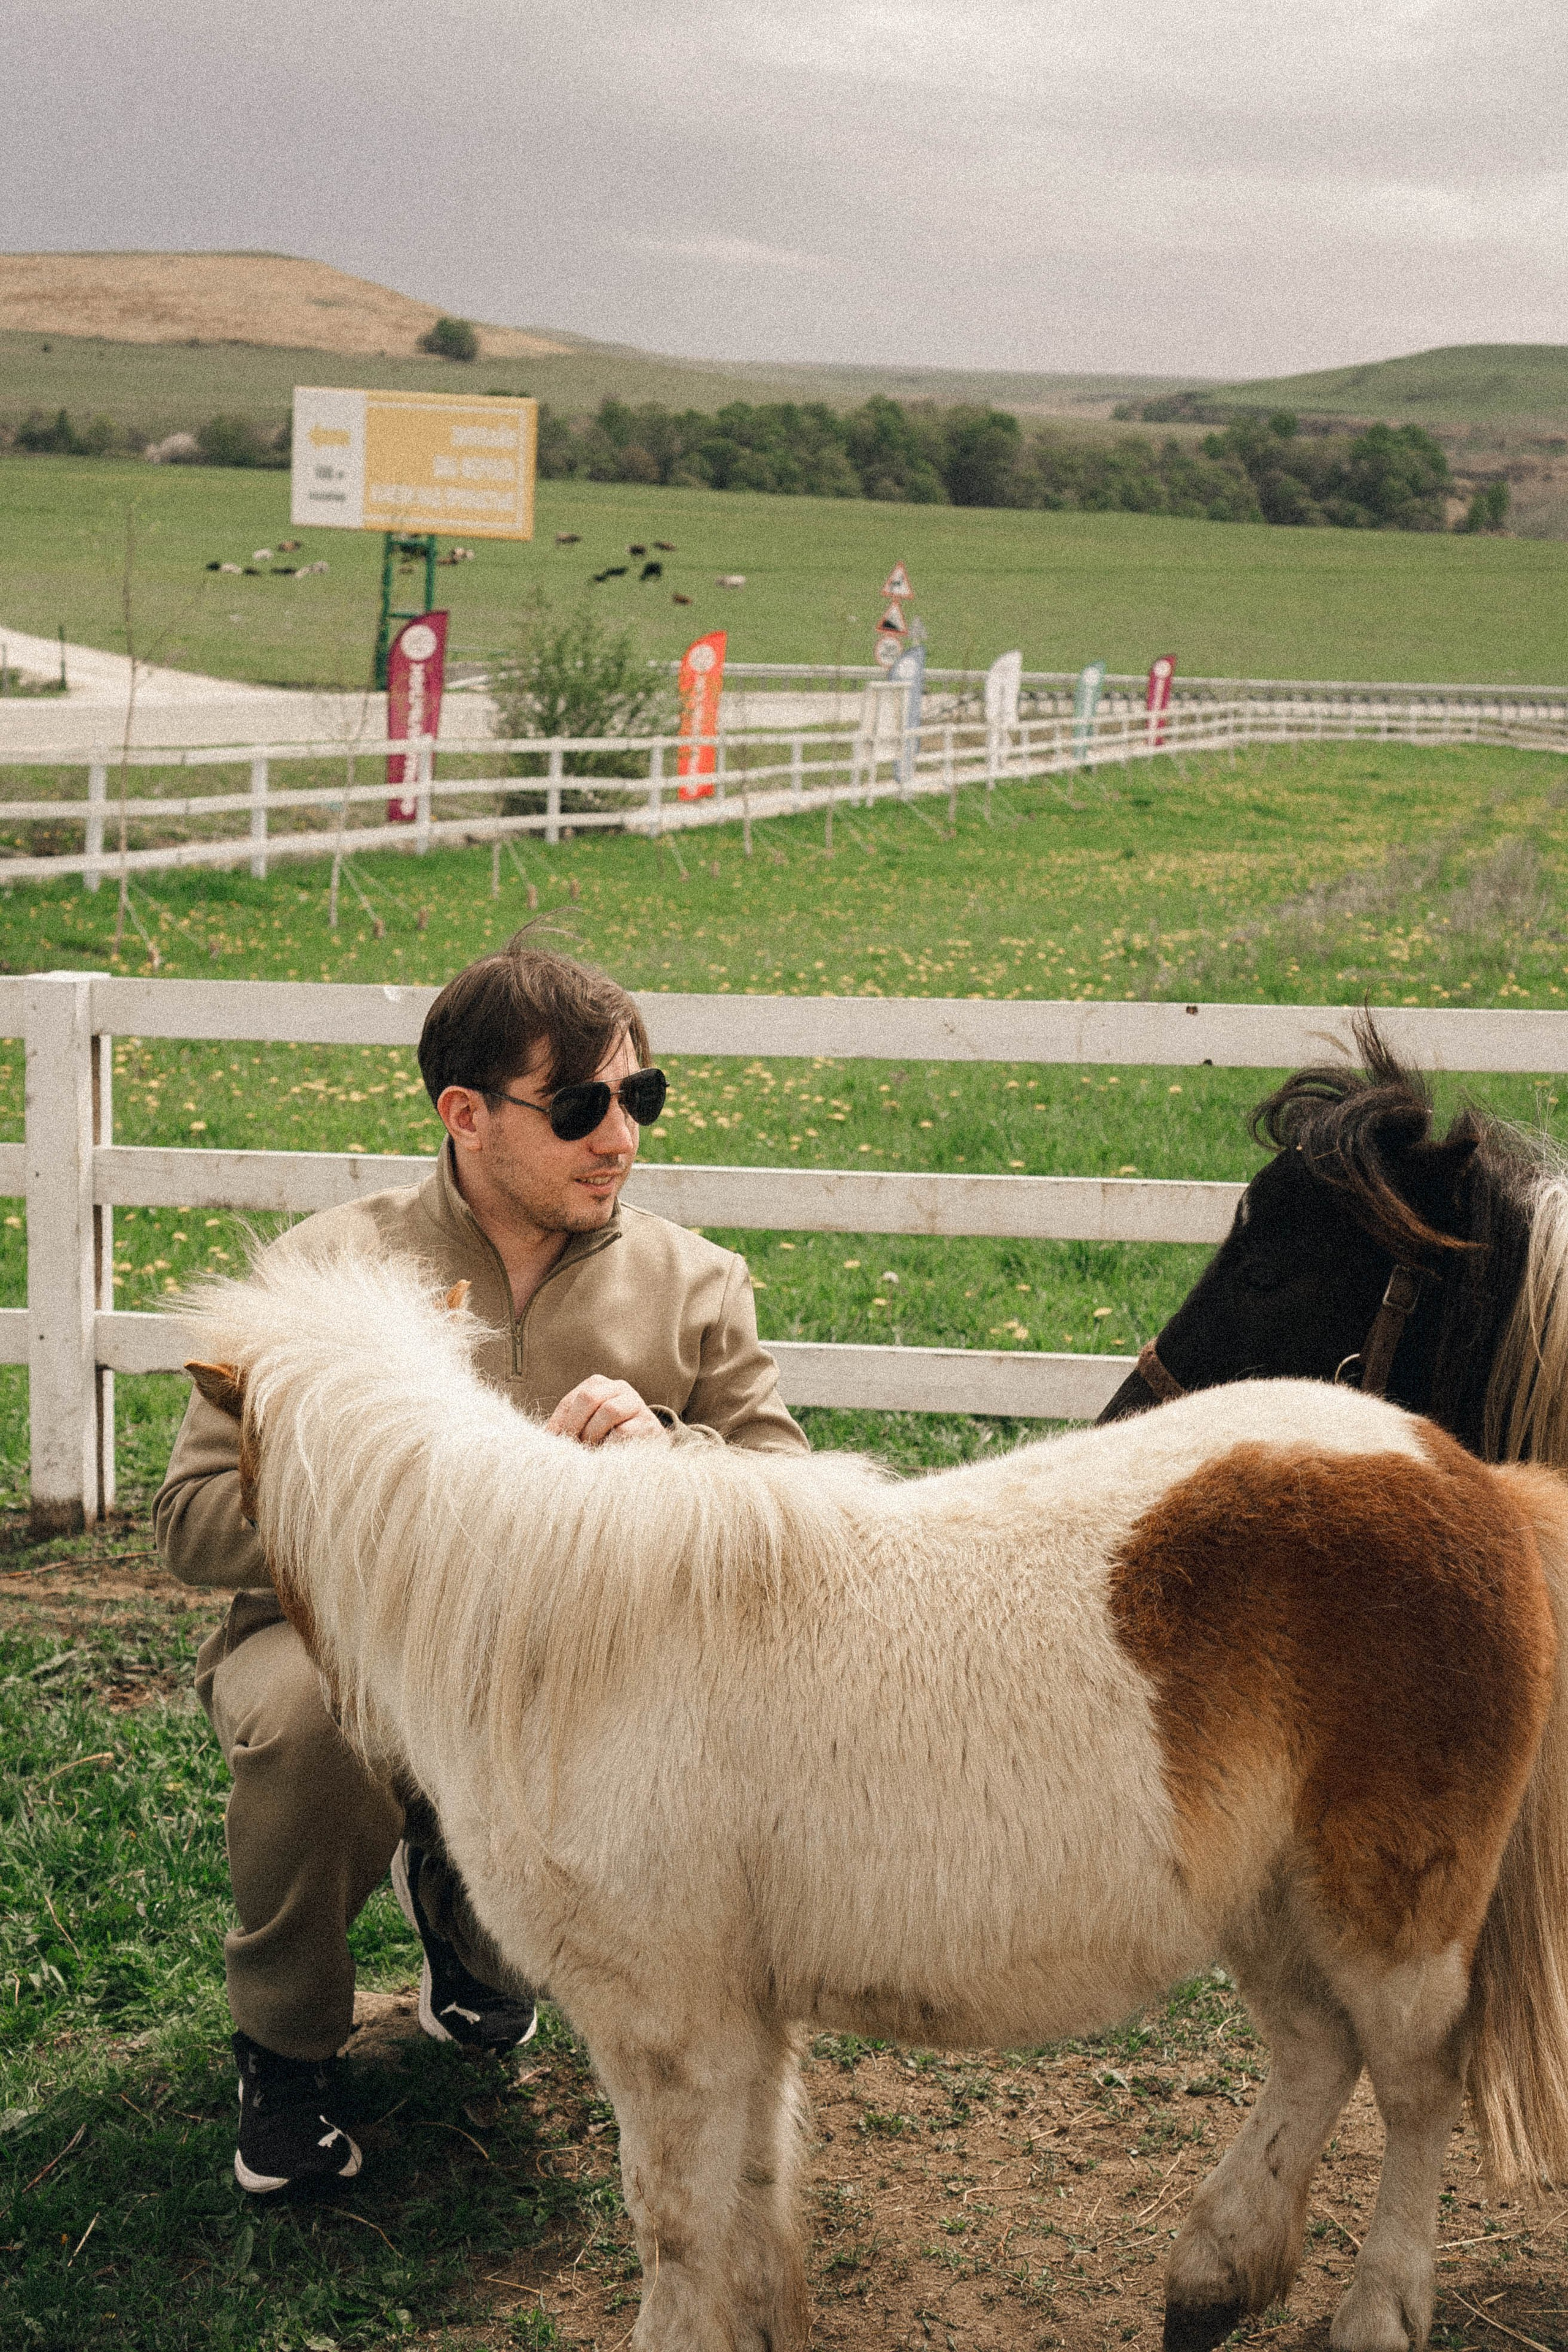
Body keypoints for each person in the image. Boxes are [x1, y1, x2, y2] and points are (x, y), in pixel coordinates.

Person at [154, 941, 807, 2195]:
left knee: (616, 1769)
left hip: (585, 1655)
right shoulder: (322, 1274)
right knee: (305, 1726)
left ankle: (469, 1923)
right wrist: (425, 1503)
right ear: (465, 1115)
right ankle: (285, 2055)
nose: (620, 1138)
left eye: (640, 1099)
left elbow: (782, 1491)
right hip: (343, 1639)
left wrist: (663, 1447)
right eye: (578, 1108)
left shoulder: (693, 1285)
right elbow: (189, 1522)